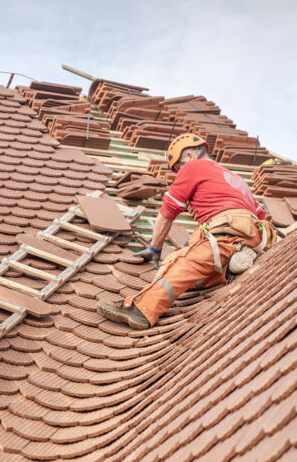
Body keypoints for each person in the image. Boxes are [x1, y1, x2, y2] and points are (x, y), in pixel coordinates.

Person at [97, 133, 277, 330]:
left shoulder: (194, 166)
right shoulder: (236, 179)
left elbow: (168, 212)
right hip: (254, 236)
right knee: (201, 275)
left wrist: (155, 248)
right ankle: (229, 267)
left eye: (179, 168)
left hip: (226, 231)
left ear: (190, 155)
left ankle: (141, 310)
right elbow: (261, 216)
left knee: (179, 264)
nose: (179, 173)